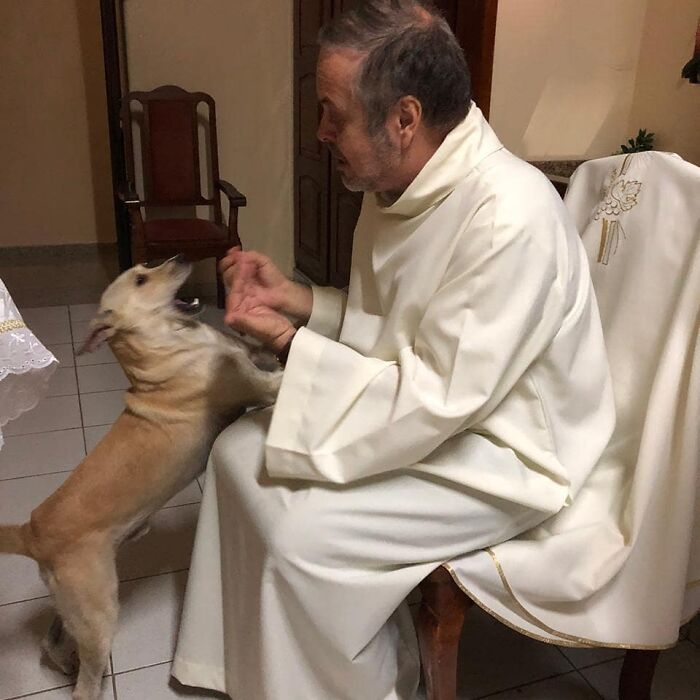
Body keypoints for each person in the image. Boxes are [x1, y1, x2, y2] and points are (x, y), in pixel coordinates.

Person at [172, 2, 616, 698]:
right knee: (234, 453)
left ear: (404, 119)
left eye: (333, 113)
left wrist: (292, 345)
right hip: (437, 410)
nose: (320, 133)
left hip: (505, 449)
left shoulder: (508, 217)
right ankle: (245, 670)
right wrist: (297, 299)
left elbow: (437, 393)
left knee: (304, 539)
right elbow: (396, 325)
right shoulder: (402, 183)